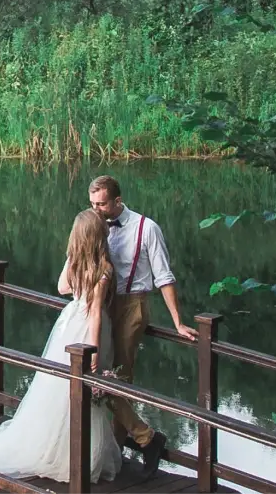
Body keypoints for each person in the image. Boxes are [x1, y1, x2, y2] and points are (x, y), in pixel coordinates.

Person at [0, 210, 122, 483]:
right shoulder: (104, 267)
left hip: (70, 322)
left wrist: (71, 258)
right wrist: (94, 349)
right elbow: (95, 311)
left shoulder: (78, 263)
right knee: (82, 389)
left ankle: (59, 447)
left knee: (58, 387)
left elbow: (63, 288)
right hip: (88, 328)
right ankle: (76, 456)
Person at [73, 175, 196, 477]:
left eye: (101, 204)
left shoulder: (147, 228)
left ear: (117, 201)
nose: (96, 209)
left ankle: (134, 443)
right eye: (92, 204)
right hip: (100, 305)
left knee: (115, 379)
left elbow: (164, 276)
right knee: (101, 378)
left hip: (131, 305)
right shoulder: (93, 224)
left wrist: (177, 321)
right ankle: (124, 448)